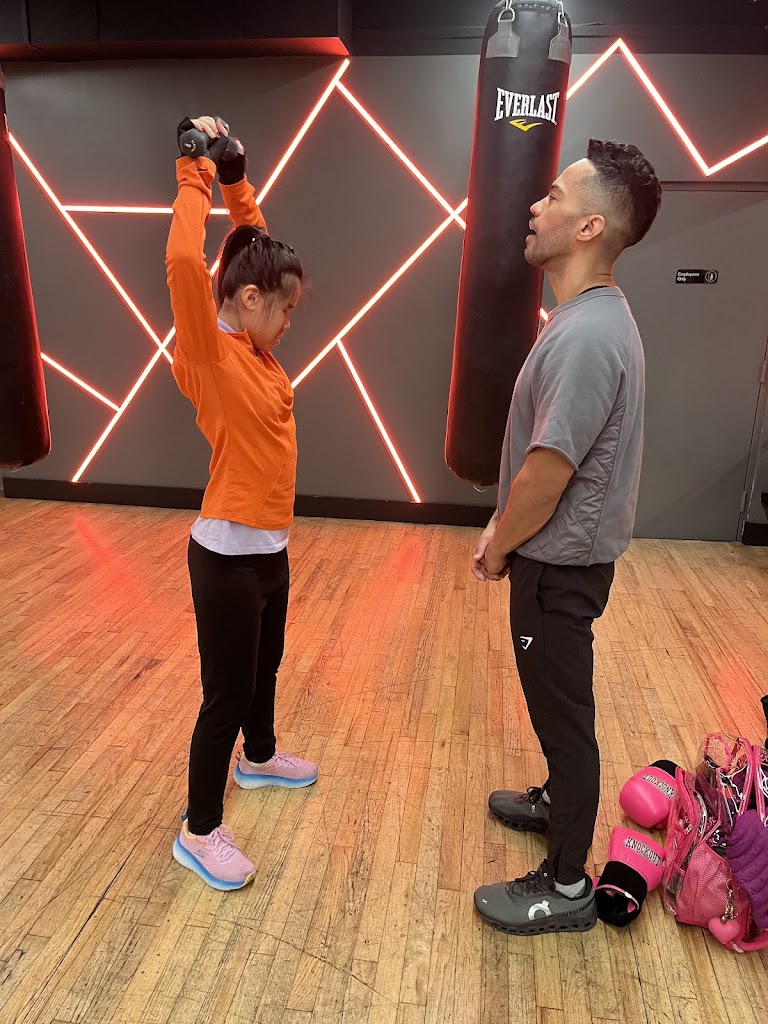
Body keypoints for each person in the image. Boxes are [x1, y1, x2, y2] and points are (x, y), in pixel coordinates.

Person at [472, 139, 662, 935]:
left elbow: (548, 473)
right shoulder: (590, 319)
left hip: (557, 565)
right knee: (557, 706)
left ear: (589, 227)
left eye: (552, 195)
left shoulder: (587, 335)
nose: (534, 205)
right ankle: (558, 802)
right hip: (562, 560)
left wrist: (497, 543)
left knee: (564, 717)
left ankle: (566, 884)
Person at [167, 115, 318, 892]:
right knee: (224, 696)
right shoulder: (209, 352)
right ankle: (199, 830)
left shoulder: (254, 345)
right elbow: (183, 262)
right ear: (250, 300)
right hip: (226, 558)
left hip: (268, 551)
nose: (290, 324)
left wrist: (235, 179)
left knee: (265, 669)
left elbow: (252, 245)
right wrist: (193, 170)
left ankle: (258, 759)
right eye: (285, 311)